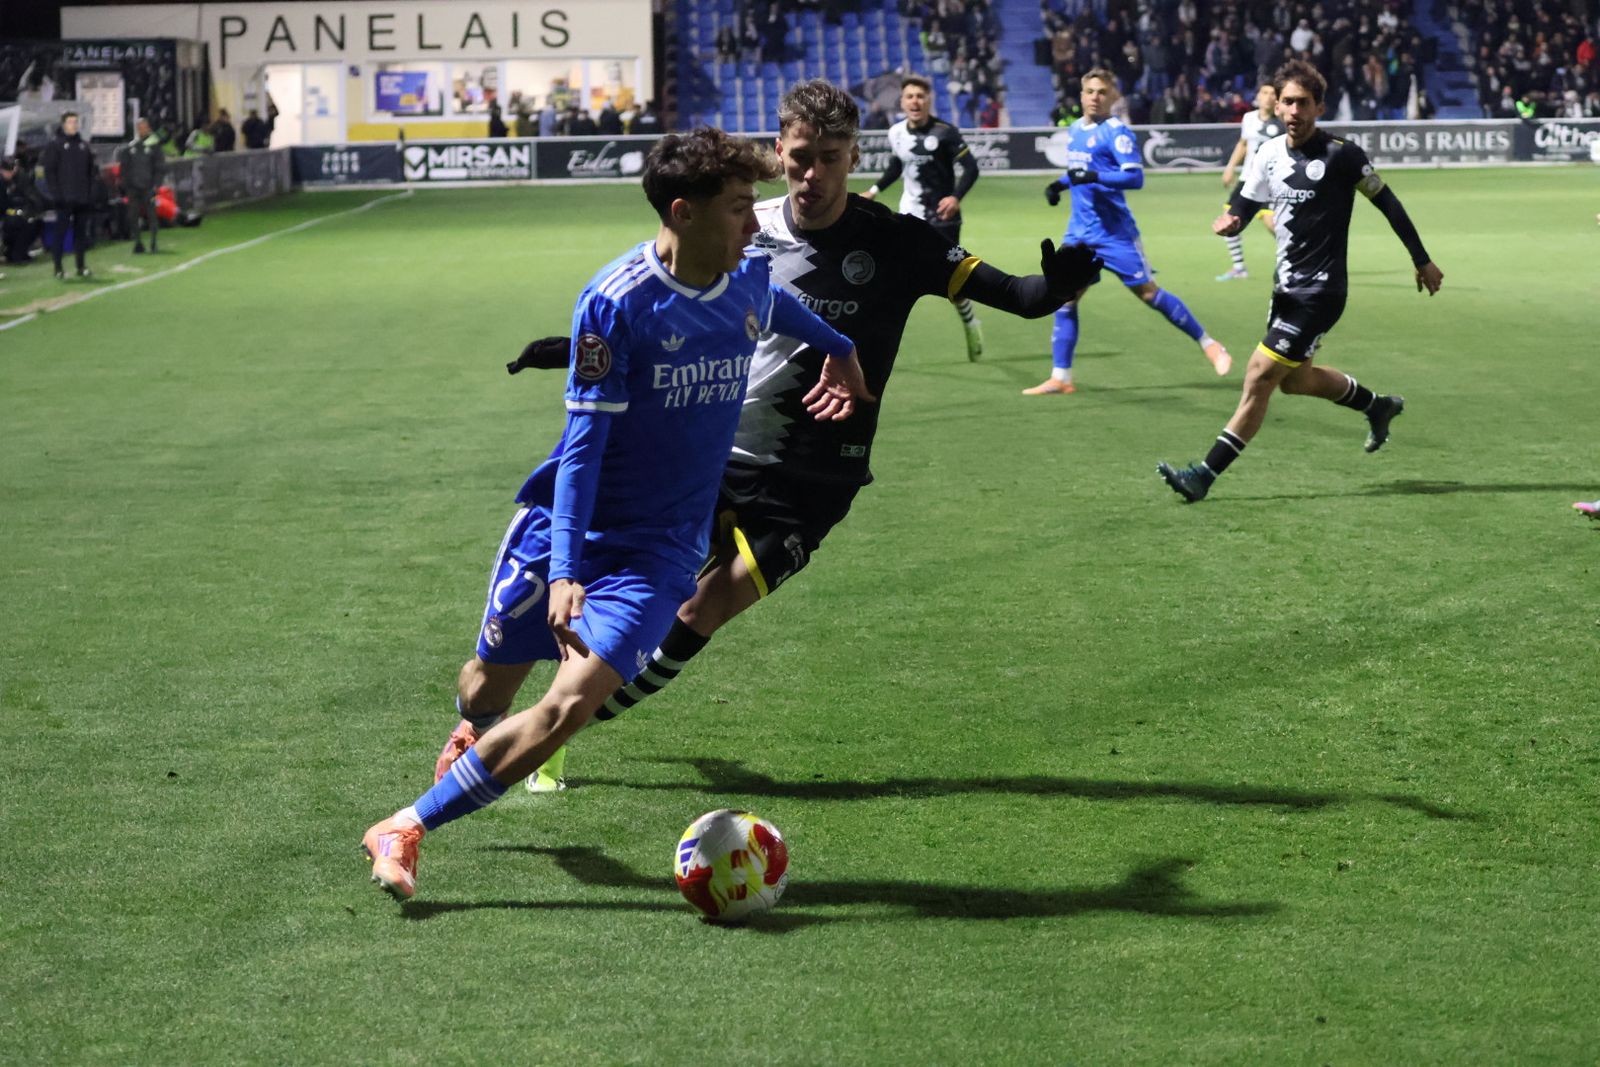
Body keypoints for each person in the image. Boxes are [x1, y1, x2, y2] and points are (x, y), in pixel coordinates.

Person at [497, 80, 1102, 792]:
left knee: (700, 609)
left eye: (831, 159)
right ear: (778, 150)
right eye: (800, 157)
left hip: (810, 482)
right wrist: (573, 349)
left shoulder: (898, 242)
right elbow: (659, 310)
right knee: (613, 601)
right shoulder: (741, 229)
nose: (812, 174)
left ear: (855, 158)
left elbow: (1022, 298)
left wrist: (1059, 286)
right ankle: (552, 724)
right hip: (704, 454)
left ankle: (558, 725)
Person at [360, 126, 869, 899]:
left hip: (661, 552)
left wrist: (841, 348)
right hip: (572, 527)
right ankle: (473, 731)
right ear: (683, 211)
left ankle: (404, 825)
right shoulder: (616, 300)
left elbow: (798, 317)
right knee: (483, 690)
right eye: (738, 209)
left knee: (566, 707)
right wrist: (565, 572)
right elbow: (584, 447)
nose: (754, 224)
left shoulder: (750, 281)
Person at [1156, 60, 1444, 504]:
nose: (1293, 110)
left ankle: (1203, 475)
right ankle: (1376, 405)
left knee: (1259, 377)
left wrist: (1422, 260)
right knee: (1295, 381)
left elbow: (1387, 202)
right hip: (1286, 287)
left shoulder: (1343, 155)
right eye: (1287, 101)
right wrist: (1234, 220)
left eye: (1302, 103)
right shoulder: (1269, 152)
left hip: (1322, 292)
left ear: (1319, 107)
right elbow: (1247, 200)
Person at [1029, 69, 1232, 396]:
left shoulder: (1116, 132)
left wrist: (1093, 175)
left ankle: (1210, 345)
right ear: (1081, 95)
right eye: (1090, 91)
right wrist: (1060, 184)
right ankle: (1061, 377)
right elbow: (1078, 171)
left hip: (1115, 234)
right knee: (1064, 298)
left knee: (1149, 294)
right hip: (1079, 233)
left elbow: (1134, 178)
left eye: (1102, 92)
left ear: (1113, 98)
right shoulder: (1076, 130)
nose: (1095, 97)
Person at [861, 74, 986, 361]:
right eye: (910, 97)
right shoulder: (896, 133)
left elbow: (971, 168)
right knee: (893, 274)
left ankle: (970, 321)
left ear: (929, 100)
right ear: (902, 102)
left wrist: (955, 197)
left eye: (920, 96)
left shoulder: (946, 132)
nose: (915, 101)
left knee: (950, 281)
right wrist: (875, 190)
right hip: (910, 214)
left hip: (944, 218)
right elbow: (897, 164)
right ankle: (875, 342)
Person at [1216, 82, 1283, 281]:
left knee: (1272, 224)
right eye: (1265, 92)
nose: (1269, 96)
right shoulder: (1249, 118)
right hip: (1247, 179)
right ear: (1258, 96)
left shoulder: (1283, 122)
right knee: (1228, 219)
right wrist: (1230, 168)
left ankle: (1299, 258)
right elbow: (1243, 144)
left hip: (1270, 182)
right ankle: (1238, 268)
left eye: (1273, 93)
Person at [40, 111, 97, 280]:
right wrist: (56, 195)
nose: (74, 125)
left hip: (82, 198)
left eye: (75, 122)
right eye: (71, 122)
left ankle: (81, 266)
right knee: (60, 233)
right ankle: (58, 268)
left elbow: (91, 172)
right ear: (64, 125)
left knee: (81, 234)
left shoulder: (83, 146)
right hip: (64, 199)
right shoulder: (55, 145)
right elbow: (49, 172)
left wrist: (89, 194)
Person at [115, 118, 165, 254]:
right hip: (133, 188)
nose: (142, 129)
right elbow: (124, 168)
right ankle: (138, 242)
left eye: (144, 127)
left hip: (148, 187)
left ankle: (153, 242)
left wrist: (156, 186)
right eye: (140, 127)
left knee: (152, 215)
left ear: (148, 128)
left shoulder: (154, 147)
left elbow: (159, 168)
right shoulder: (131, 147)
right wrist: (126, 185)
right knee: (133, 215)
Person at [1, 155, 45, 265]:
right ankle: (15, 254)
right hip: (5, 212)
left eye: (12, 170)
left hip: (16, 209)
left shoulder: (21, 177)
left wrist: (28, 210)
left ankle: (18, 253)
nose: (10, 173)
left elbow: (31, 195)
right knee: (16, 222)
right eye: (7, 171)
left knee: (34, 222)